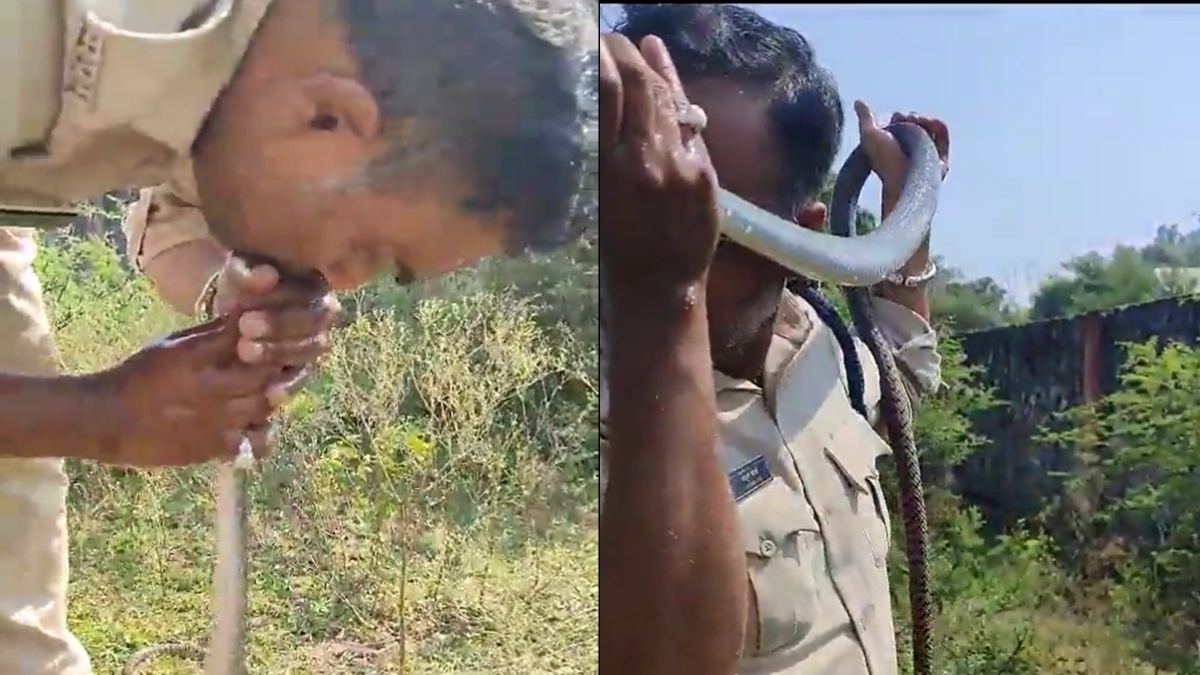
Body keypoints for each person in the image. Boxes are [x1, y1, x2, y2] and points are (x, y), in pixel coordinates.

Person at [0, 1, 596, 674]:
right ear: (330, 116)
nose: (341, 281)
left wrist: (223, 290)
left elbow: (171, 220)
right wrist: (92, 416)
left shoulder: (262, 72)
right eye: (370, 248)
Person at [599, 5, 950, 675]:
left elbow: (899, 381)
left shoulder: (825, 346)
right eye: (636, 211)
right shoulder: (606, 425)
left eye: (703, 228)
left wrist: (911, 235)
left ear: (799, 242)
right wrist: (662, 298)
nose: (660, 245)